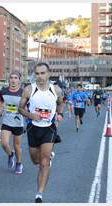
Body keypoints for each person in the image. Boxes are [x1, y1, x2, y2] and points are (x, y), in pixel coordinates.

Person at [19, 62, 64, 203]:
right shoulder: (28, 89)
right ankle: (46, 156)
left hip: (49, 128)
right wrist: (31, 115)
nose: (40, 76)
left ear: (48, 73)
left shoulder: (56, 90)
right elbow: (20, 109)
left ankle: (39, 195)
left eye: (43, 73)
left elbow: (61, 103)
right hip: (33, 128)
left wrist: (59, 114)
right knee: (35, 160)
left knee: (44, 163)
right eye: (37, 73)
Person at [0, 70, 24, 174]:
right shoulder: (4, 91)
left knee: (17, 145)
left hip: (18, 122)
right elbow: (1, 102)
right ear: (9, 79)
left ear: (19, 80)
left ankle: (19, 164)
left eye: (15, 78)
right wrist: (1, 109)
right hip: (6, 121)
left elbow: (27, 106)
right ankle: (10, 155)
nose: (13, 80)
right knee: (4, 143)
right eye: (11, 78)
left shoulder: (23, 92)